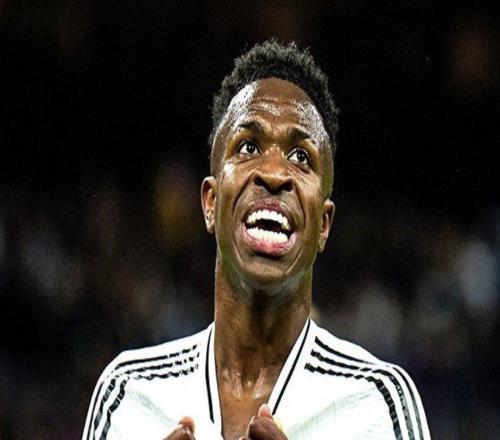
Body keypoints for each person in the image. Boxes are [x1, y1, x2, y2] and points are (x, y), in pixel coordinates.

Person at [82, 40, 431, 440]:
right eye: (248, 147)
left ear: (324, 225)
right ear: (210, 203)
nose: (274, 173)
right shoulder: (128, 395)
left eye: (301, 156)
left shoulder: (378, 404)